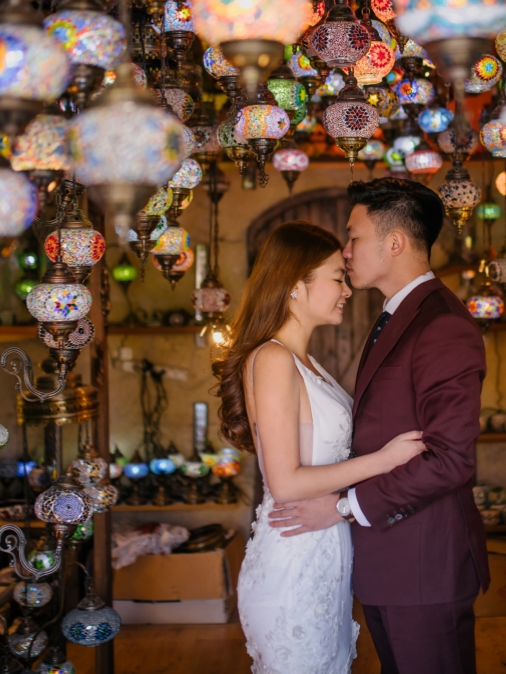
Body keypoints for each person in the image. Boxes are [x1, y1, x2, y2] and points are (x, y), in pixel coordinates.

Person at [268, 178, 490, 674]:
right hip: (391, 563)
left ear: (395, 243)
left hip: (423, 564)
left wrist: (346, 506)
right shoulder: (397, 315)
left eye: (354, 237)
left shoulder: (441, 325)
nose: (345, 251)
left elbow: (450, 458)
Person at [215, 220, 427, 674]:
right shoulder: (271, 359)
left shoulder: (306, 361)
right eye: (336, 278)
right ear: (296, 284)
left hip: (326, 554)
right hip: (293, 563)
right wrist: (384, 460)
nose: (346, 289)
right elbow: (286, 482)